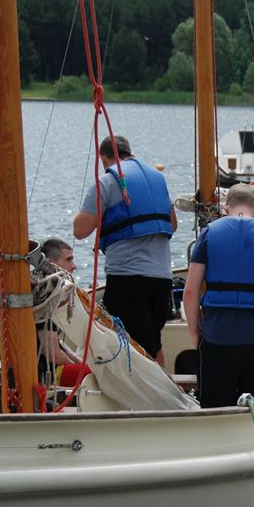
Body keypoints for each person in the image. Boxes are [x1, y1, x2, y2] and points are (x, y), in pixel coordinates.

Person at [182, 185, 254, 408]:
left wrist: (194, 332)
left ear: (226, 209)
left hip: (217, 337)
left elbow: (190, 291)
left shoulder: (208, 234)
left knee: (215, 409)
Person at [73, 135, 177, 366]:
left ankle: (148, 387)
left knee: (132, 346)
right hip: (162, 278)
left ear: (103, 159)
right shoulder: (157, 179)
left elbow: (80, 230)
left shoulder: (107, 182)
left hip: (128, 278)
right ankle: (162, 385)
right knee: (153, 343)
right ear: (130, 153)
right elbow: (173, 224)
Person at [36, 237, 83, 379]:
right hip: (45, 374)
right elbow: (53, 355)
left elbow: (59, 344)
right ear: (51, 264)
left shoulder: (51, 291)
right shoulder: (44, 298)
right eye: (69, 260)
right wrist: (82, 371)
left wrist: (81, 364)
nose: (74, 266)